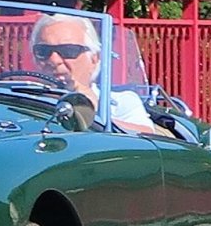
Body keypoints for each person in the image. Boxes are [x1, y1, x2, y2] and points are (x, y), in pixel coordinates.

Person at [30, 13, 168, 136]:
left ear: (94, 59)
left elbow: (147, 136)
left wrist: (91, 113)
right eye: (43, 51)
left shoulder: (118, 102)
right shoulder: (24, 100)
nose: (54, 60)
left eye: (68, 50)